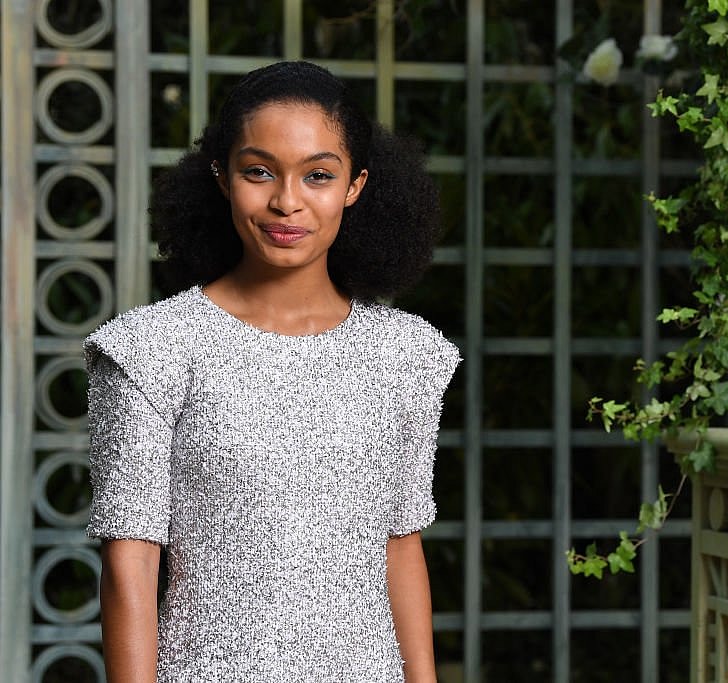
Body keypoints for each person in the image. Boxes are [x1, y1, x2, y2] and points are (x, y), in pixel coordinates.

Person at [84, 61, 459, 683]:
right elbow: (131, 562)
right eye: (259, 171)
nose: (287, 201)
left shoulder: (406, 354)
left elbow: (400, 544)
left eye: (318, 175)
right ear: (222, 177)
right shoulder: (150, 350)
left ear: (355, 186)